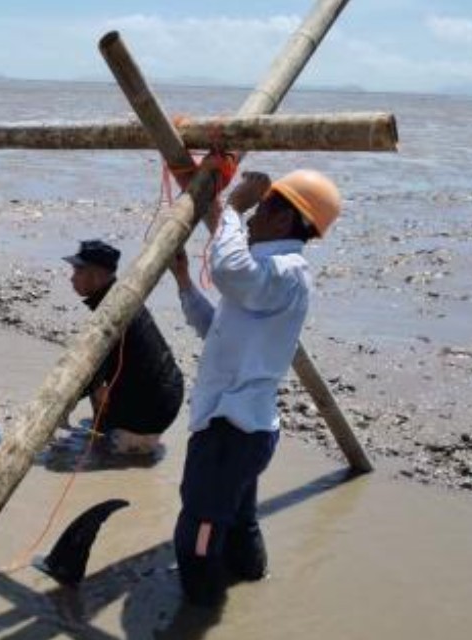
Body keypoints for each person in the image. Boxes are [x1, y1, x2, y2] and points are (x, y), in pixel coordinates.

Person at [169, 168, 342, 607]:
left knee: (197, 537)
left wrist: (230, 207)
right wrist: (186, 284)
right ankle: (253, 587)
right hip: (241, 429)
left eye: (261, 210)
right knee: (239, 520)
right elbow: (217, 330)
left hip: (231, 433)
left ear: (284, 221)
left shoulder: (285, 272)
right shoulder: (266, 278)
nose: (250, 220)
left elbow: (228, 269)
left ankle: (198, 613)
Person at [62, 239, 184, 457]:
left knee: (86, 453)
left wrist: (59, 409)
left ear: (97, 276)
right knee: (97, 388)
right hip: (169, 395)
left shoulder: (110, 315)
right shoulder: (121, 298)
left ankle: (125, 443)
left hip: (153, 409)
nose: (72, 278)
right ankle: (124, 435)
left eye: (78, 271)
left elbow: (83, 377)